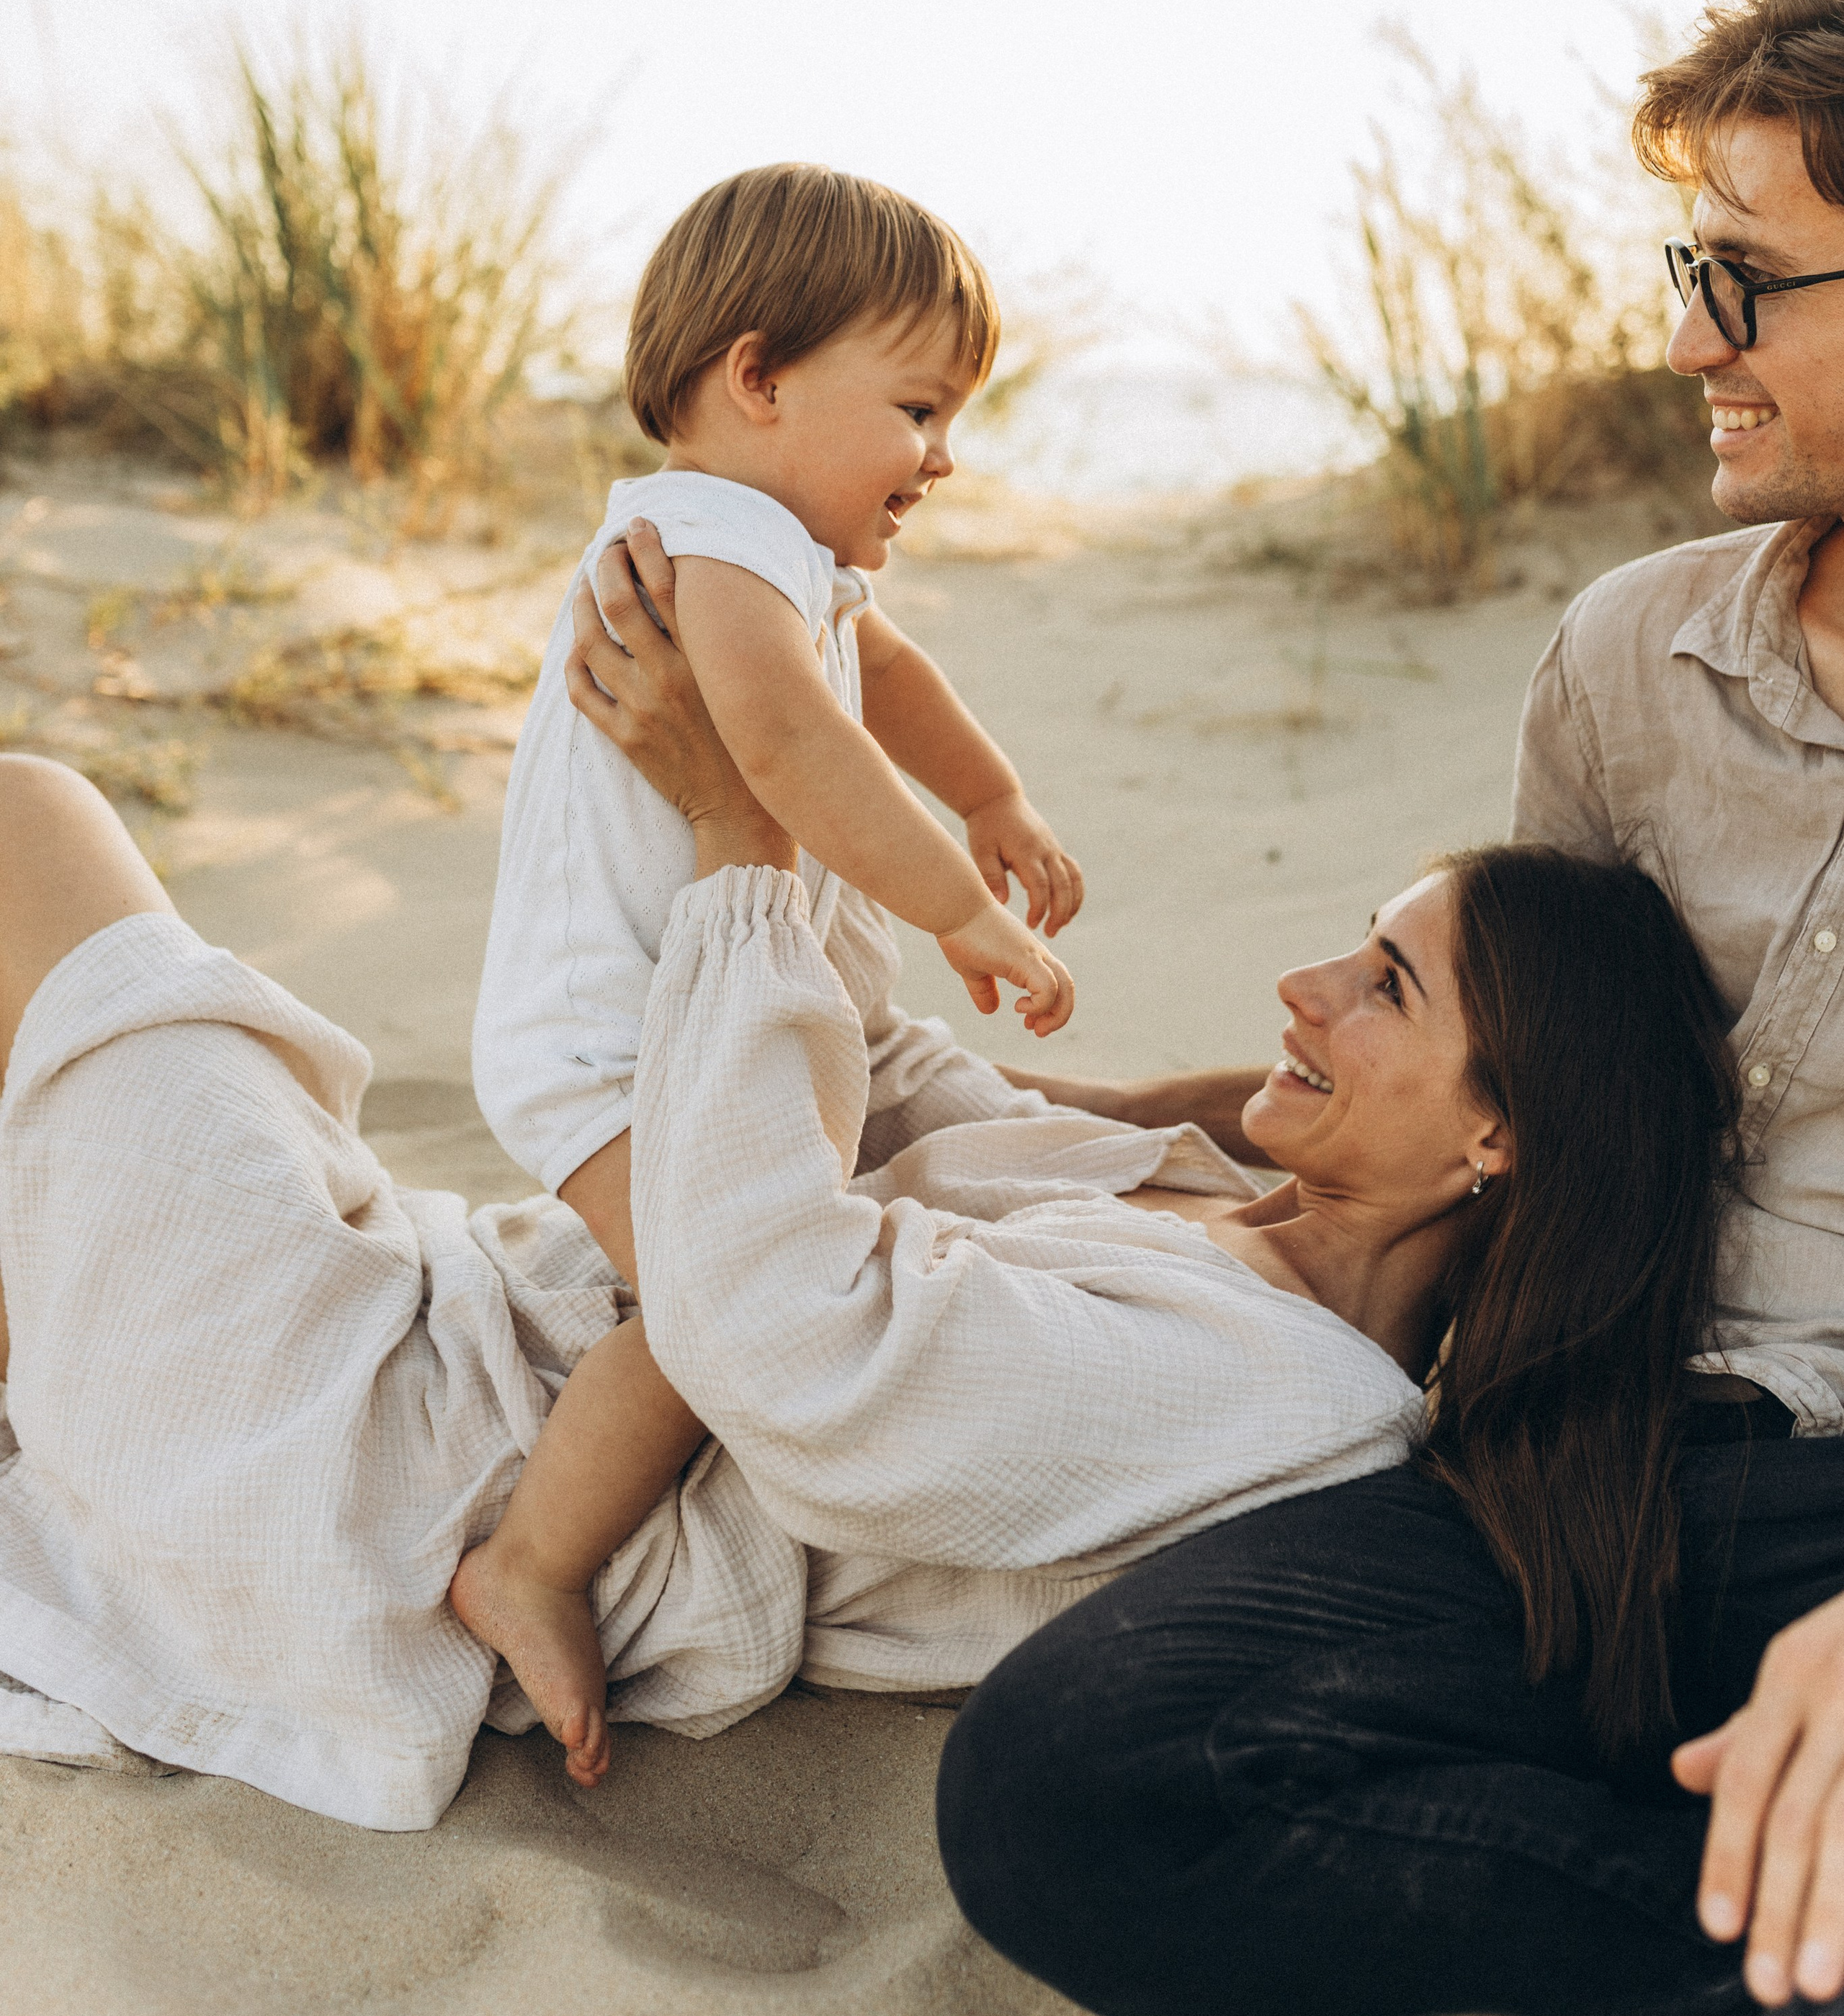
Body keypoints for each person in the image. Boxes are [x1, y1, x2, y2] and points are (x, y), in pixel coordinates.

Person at [0, 546, 1728, 1852]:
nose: (1300, 983)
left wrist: (737, 836)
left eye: (1384, 988)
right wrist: (795, 726)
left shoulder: (1271, 1396)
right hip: (445, 1310)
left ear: (1502, 1142)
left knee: (32, 826)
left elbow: (772, 1324)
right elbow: (884, 1073)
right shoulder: (1213, 1201)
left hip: (376, 1475)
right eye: (1352, 943)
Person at [936, 0, 1844, 2016]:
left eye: (1751, 276)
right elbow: (1493, 1086)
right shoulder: (1632, 664)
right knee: (1066, 1786)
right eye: (1687, 263)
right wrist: (1069, 1125)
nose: (1687, 332)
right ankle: (1751, 1962)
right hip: (1592, 1462)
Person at [455, 162, 1085, 1778]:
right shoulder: (701, 535)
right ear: (757, 378)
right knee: (701, 1305)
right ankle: (526, 1567)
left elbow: (884, 667)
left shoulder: (785, 553)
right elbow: (788, 738)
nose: (941, 458)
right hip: (606, 1047)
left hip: (696, 1032)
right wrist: (960, 906)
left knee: (765, 1246)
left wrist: (995, 792)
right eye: (919, 410)